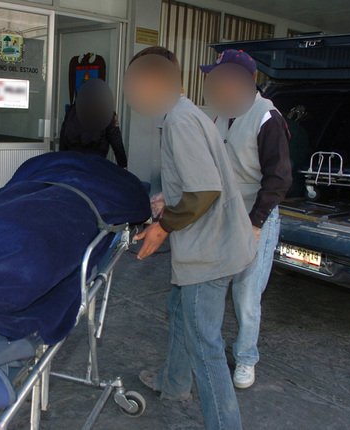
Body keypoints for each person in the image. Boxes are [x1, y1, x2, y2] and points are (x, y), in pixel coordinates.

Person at [129, 47, 256, 430]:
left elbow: (204, 190)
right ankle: (173, 383)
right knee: (178, 309)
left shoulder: (181, 121)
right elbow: (200, 177)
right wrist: (168, 196)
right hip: (212, 242)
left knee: (205, 346)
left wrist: (162, 226)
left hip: (209, 252)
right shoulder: (185, 113)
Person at [200, 50, 293, 389]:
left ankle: (245, 358)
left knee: (246, 294)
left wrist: (255, 224)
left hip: (255, 217)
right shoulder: (222, 114)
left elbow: (279, 179)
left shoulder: (267, 118)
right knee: (212, 287)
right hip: (223, 214)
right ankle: (209, 354)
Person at [59, 79, 127, 168]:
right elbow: (116, 141)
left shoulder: (72, 111)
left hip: (72, 161)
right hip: (95, 163)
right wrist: (123, 165)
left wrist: (61, 161)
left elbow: (63, 139)